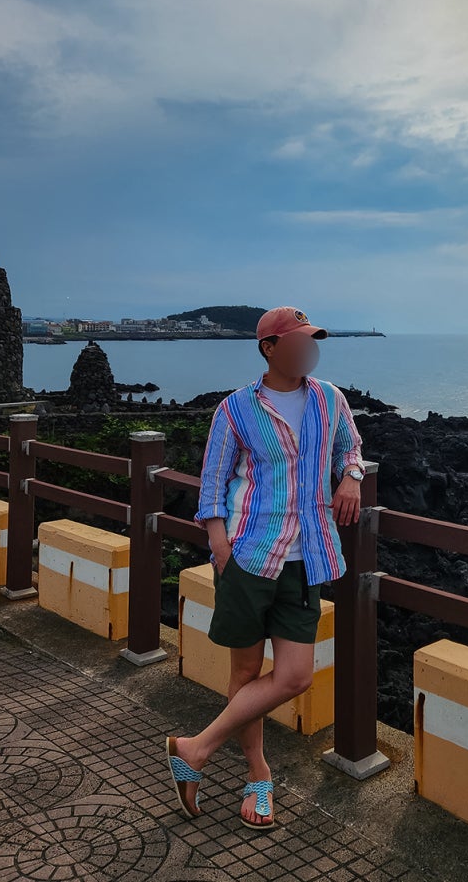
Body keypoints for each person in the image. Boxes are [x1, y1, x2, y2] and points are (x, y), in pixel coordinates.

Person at [166, 305, 366, 830]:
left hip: (308, 556)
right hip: (249, 555)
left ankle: (195, 748)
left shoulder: (330, 399)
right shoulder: (236, 409)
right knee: (246, 672)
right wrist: (220, 546)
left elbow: (350, 447)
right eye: (297, 340)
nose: (308, 348)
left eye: (311, 340)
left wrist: (351, 478)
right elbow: (213, 482)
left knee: (295, 675)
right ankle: (258, 775)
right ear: (269, 348)